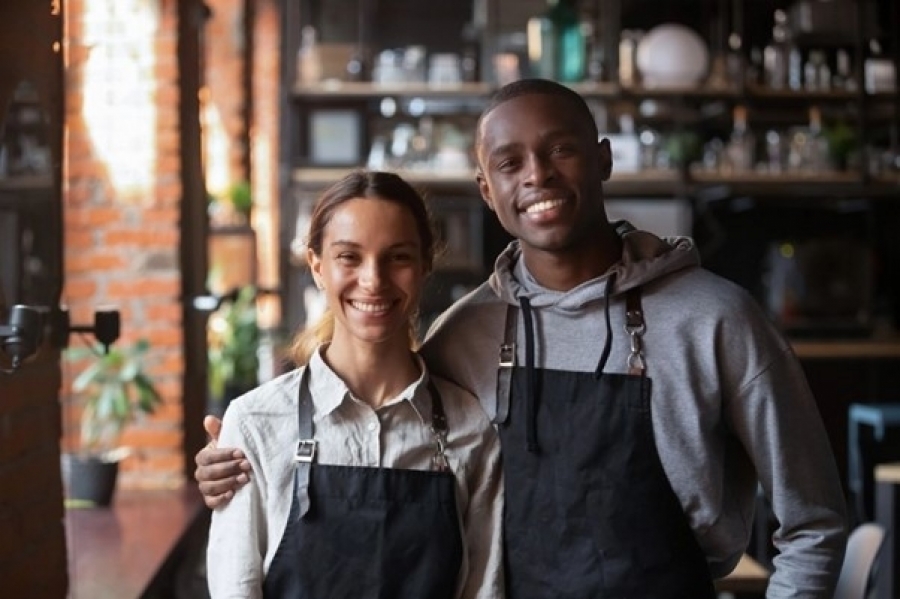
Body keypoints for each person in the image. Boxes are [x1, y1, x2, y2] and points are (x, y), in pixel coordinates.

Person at [197, 79, 848, 597]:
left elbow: (814, 522)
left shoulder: (717, 319)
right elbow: (380, 445)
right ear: (488, 189)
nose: (535, 174)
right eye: (509, 162)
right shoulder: (466, 335)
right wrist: (237, 461)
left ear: (602, 159)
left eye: (559, 148)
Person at [204, 170, 504, 599]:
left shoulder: (471, 428)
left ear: (424, 266)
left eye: (397, 257)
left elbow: (484, 590)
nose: (373, 280)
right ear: (316, 266)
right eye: (349, 256)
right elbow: (236, 588)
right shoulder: (255, 422)